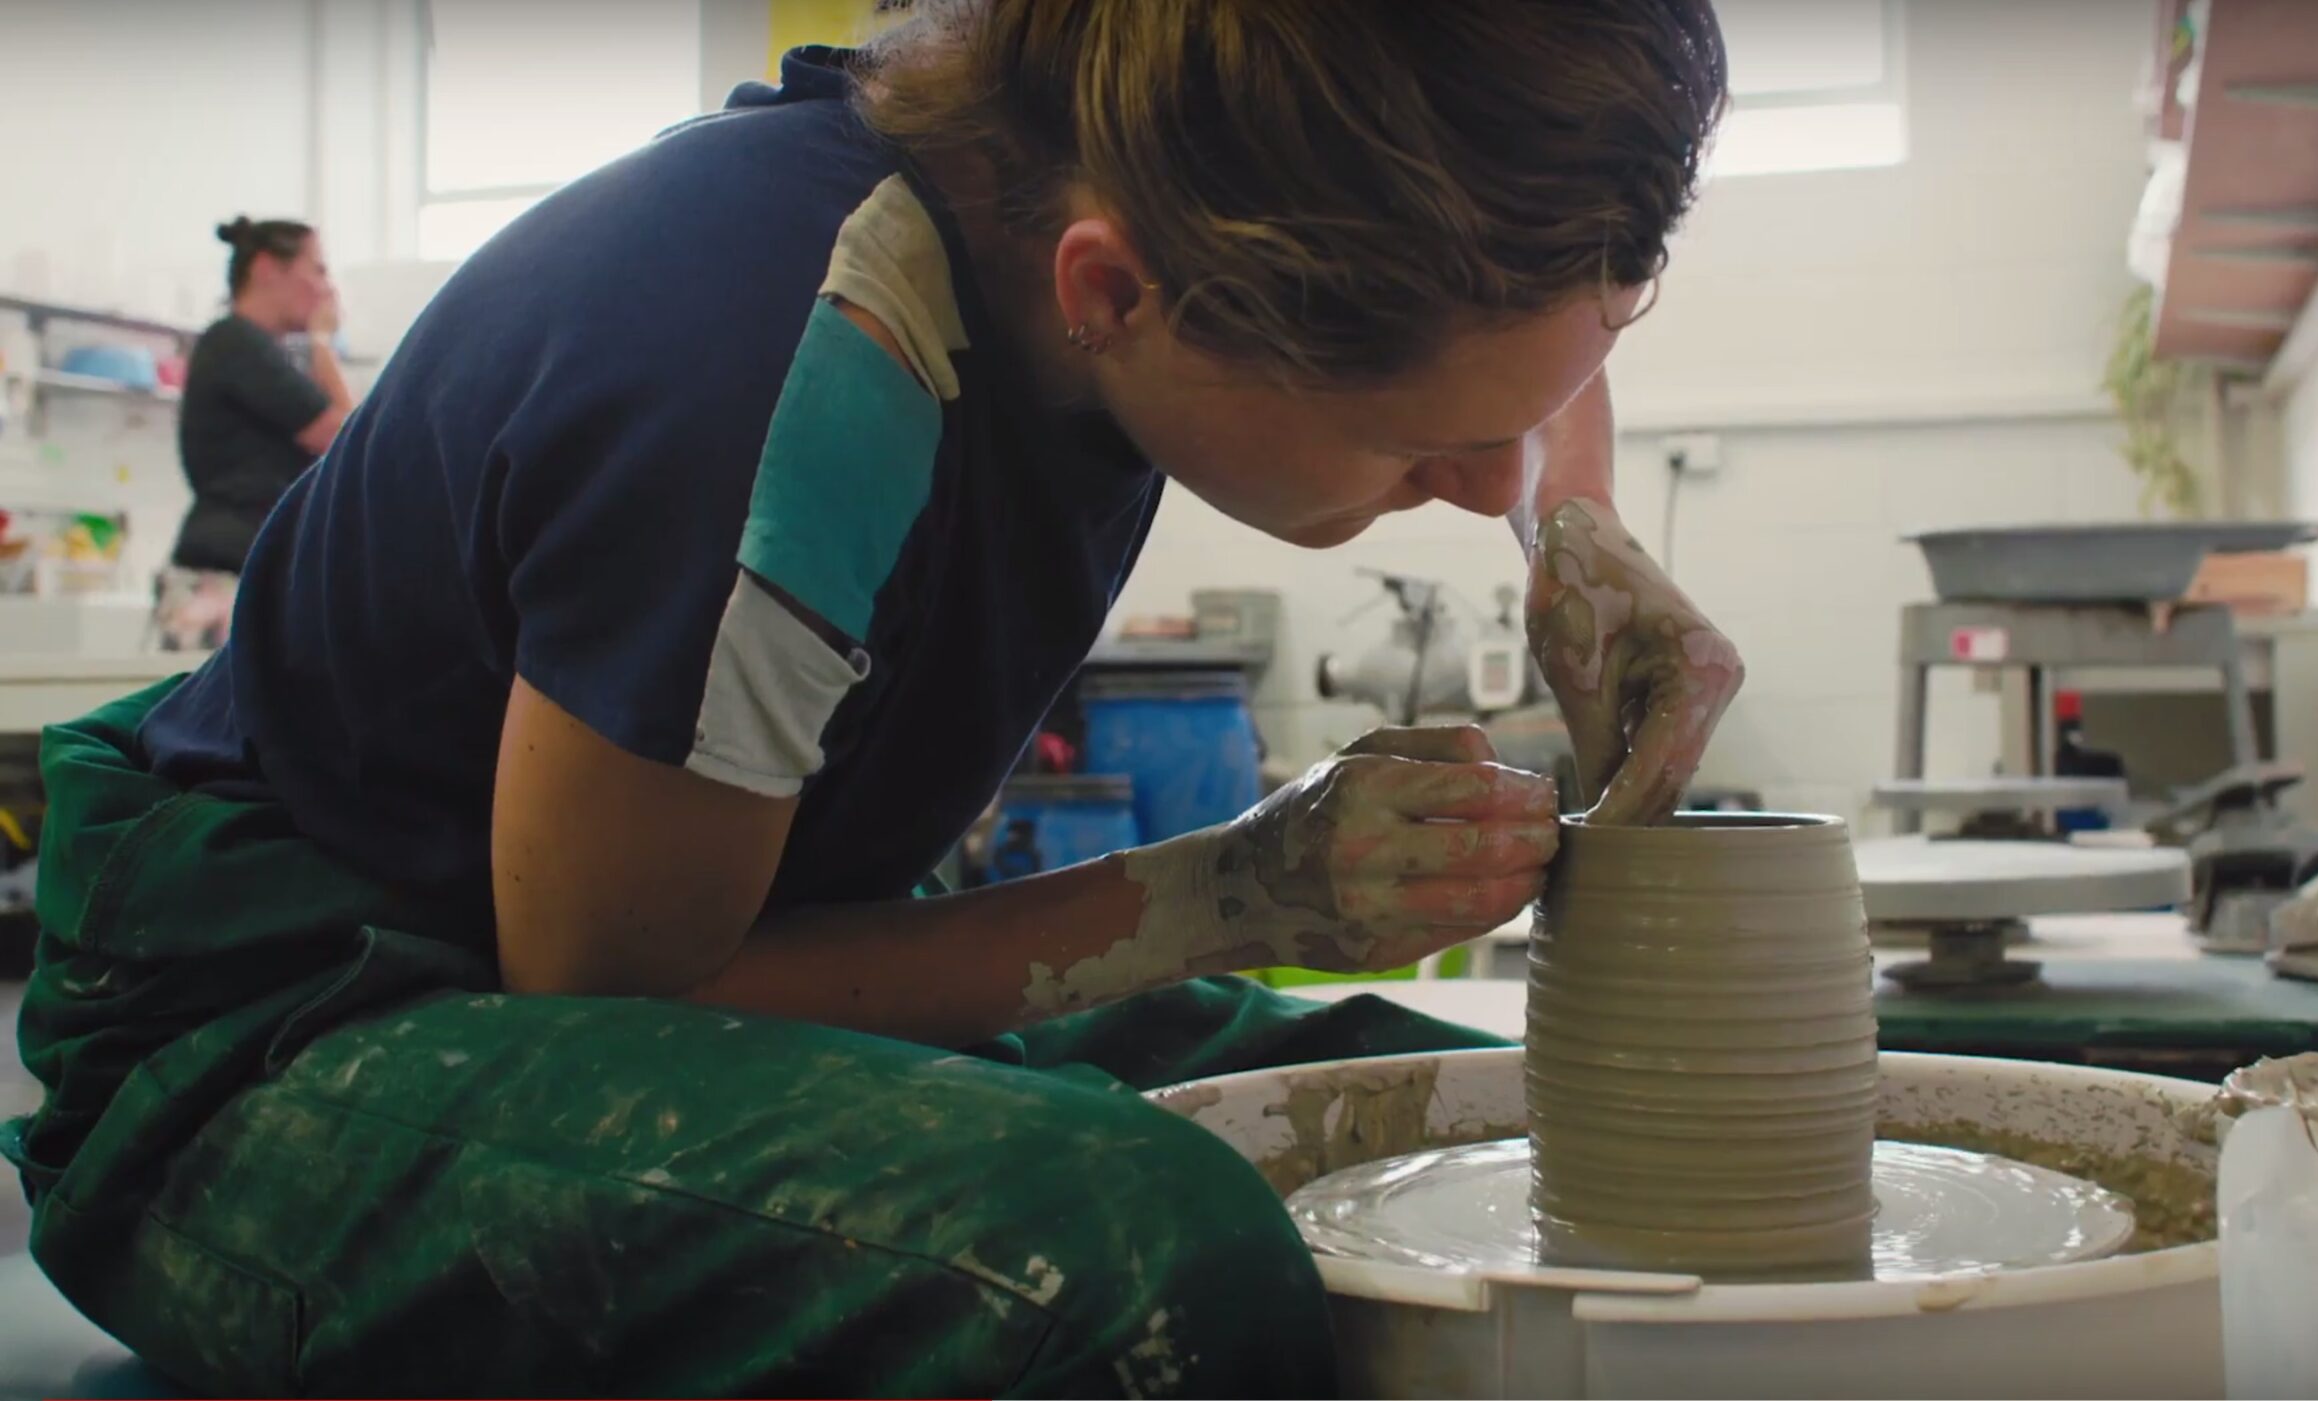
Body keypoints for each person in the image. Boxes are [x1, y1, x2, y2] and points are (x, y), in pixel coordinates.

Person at [8, 2, 1743, 1394]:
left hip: (703, 943)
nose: (1481, 479)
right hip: (281, 1028)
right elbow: (621, 985)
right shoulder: (788, 367)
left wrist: (1574, 535)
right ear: (1118, 292)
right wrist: (1243, 888)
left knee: (1472, 1118)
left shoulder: (1102, 167)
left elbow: (1515, 332)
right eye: (1422, 442)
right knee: (1134, 1259)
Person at [157, 216, 353, 650]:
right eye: (317, 269)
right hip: (225, 573)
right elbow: (347, 438)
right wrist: (322, 341)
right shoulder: (236, 343)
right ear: (267, 268)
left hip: (245, 565)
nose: (326, 288)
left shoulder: (257, 351)